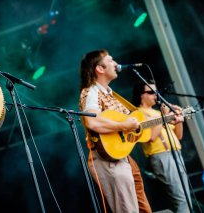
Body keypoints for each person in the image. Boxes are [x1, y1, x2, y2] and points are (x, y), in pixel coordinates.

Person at [78, 49, 152, 213]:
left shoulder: (110, 94)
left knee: (141, 208)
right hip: (107, 159)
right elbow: (92, 120)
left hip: (121, 156)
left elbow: (135, 127)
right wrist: (124, 126)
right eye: (111, 60)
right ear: (100, 69)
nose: (116, 64)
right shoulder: (92, 91)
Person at [132, 79, 192, 213]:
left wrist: (178, 119)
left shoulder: (158, 113)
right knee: (181, 199)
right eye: (151, 92)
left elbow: (179, 136)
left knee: (187, 197)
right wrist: (164, 117)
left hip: (176, 152)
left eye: (156, 92)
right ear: (141, 95)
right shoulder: (138, 114)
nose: (156, 95)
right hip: (161, 156)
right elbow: (152, 137)